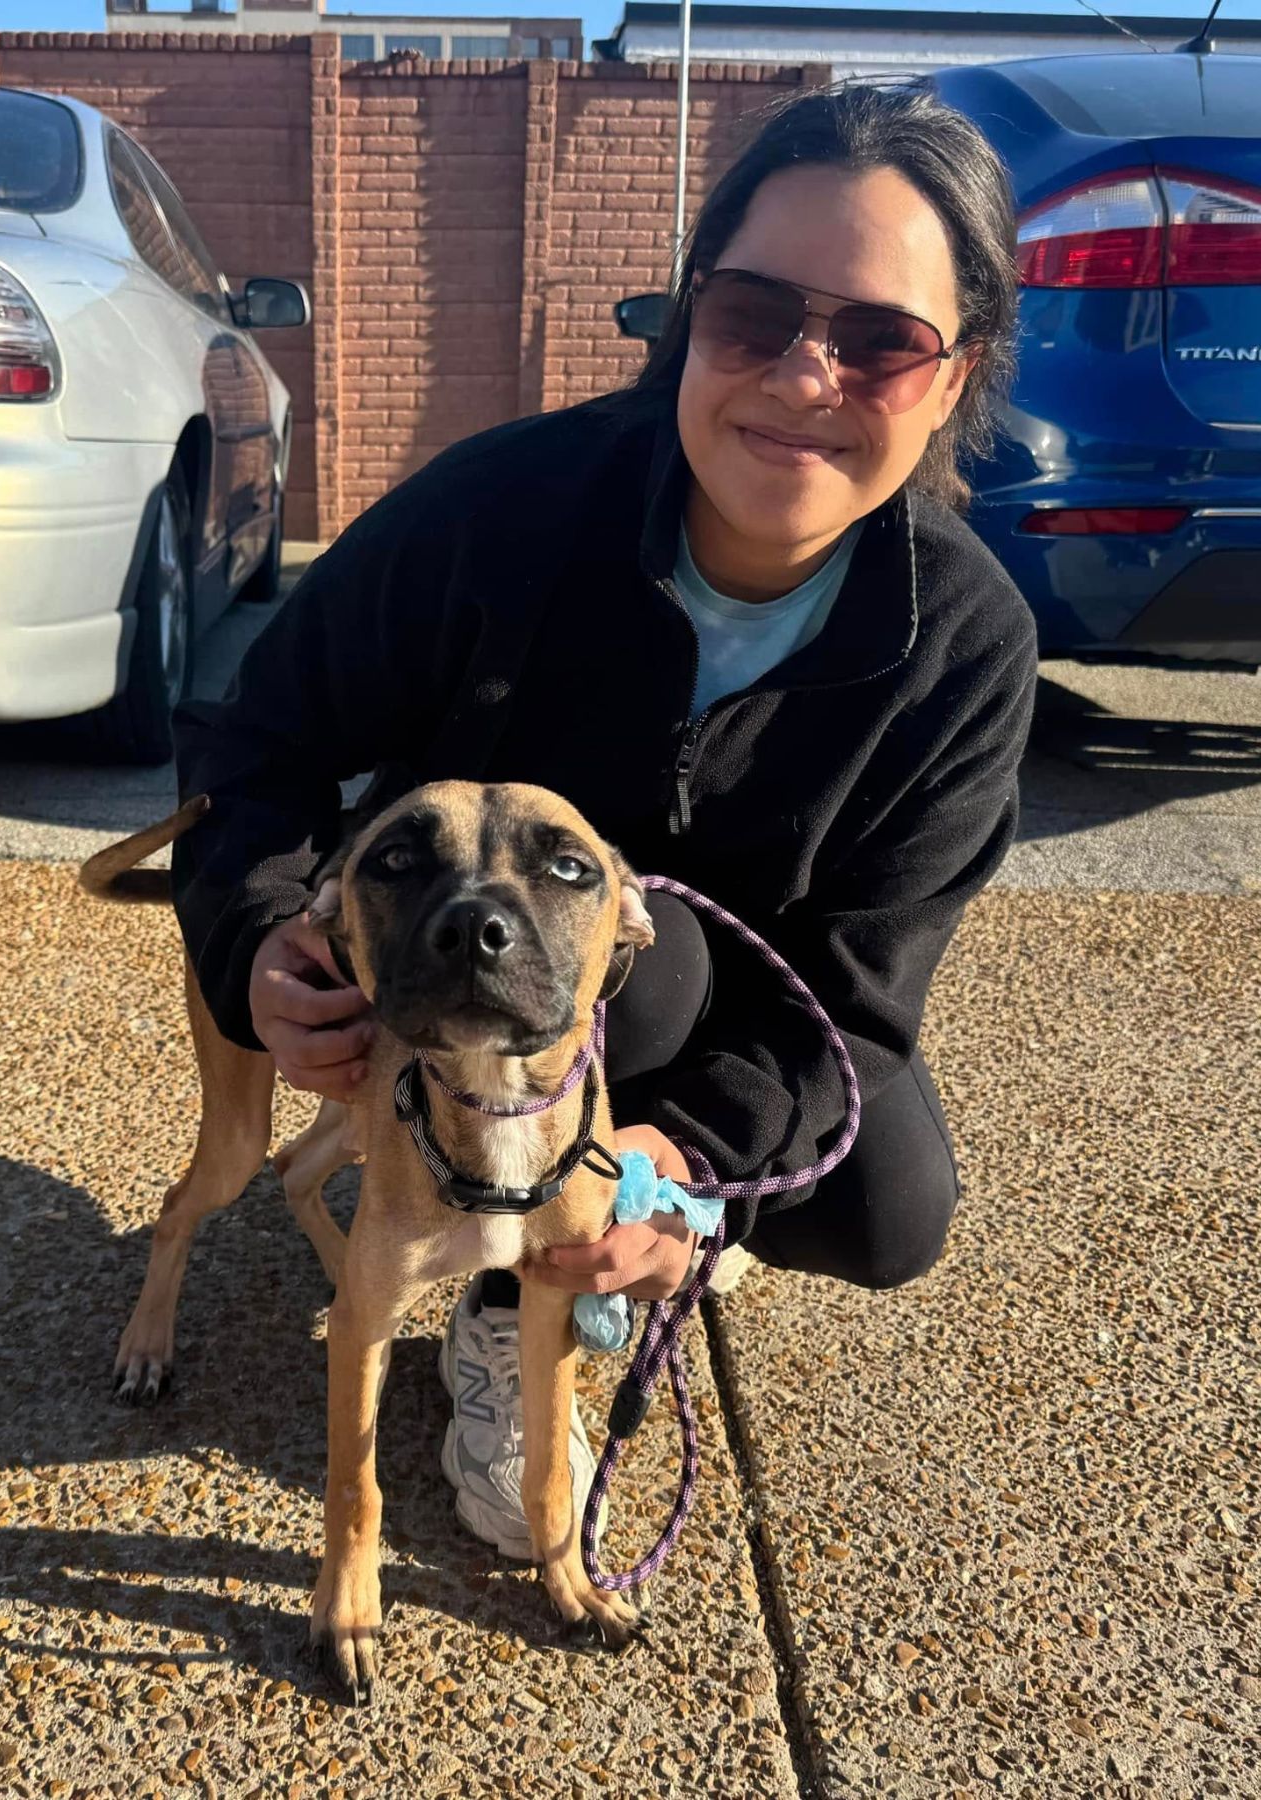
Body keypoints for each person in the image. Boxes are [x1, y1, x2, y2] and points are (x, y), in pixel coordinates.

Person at [170, 80, 1037, 1561]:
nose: (805, 376)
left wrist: (690, 1163)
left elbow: (862, 1000)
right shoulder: (496, 513)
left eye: (883, 340)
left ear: (956, 378)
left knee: (890, 1207)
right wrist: (257, 938)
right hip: (464, 955)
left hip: (713, 988)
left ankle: (582, 1251)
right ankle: (517, 1302)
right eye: (755, 313)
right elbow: (256, 745)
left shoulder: (964, 647)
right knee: (618, 975)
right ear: (689, 319)